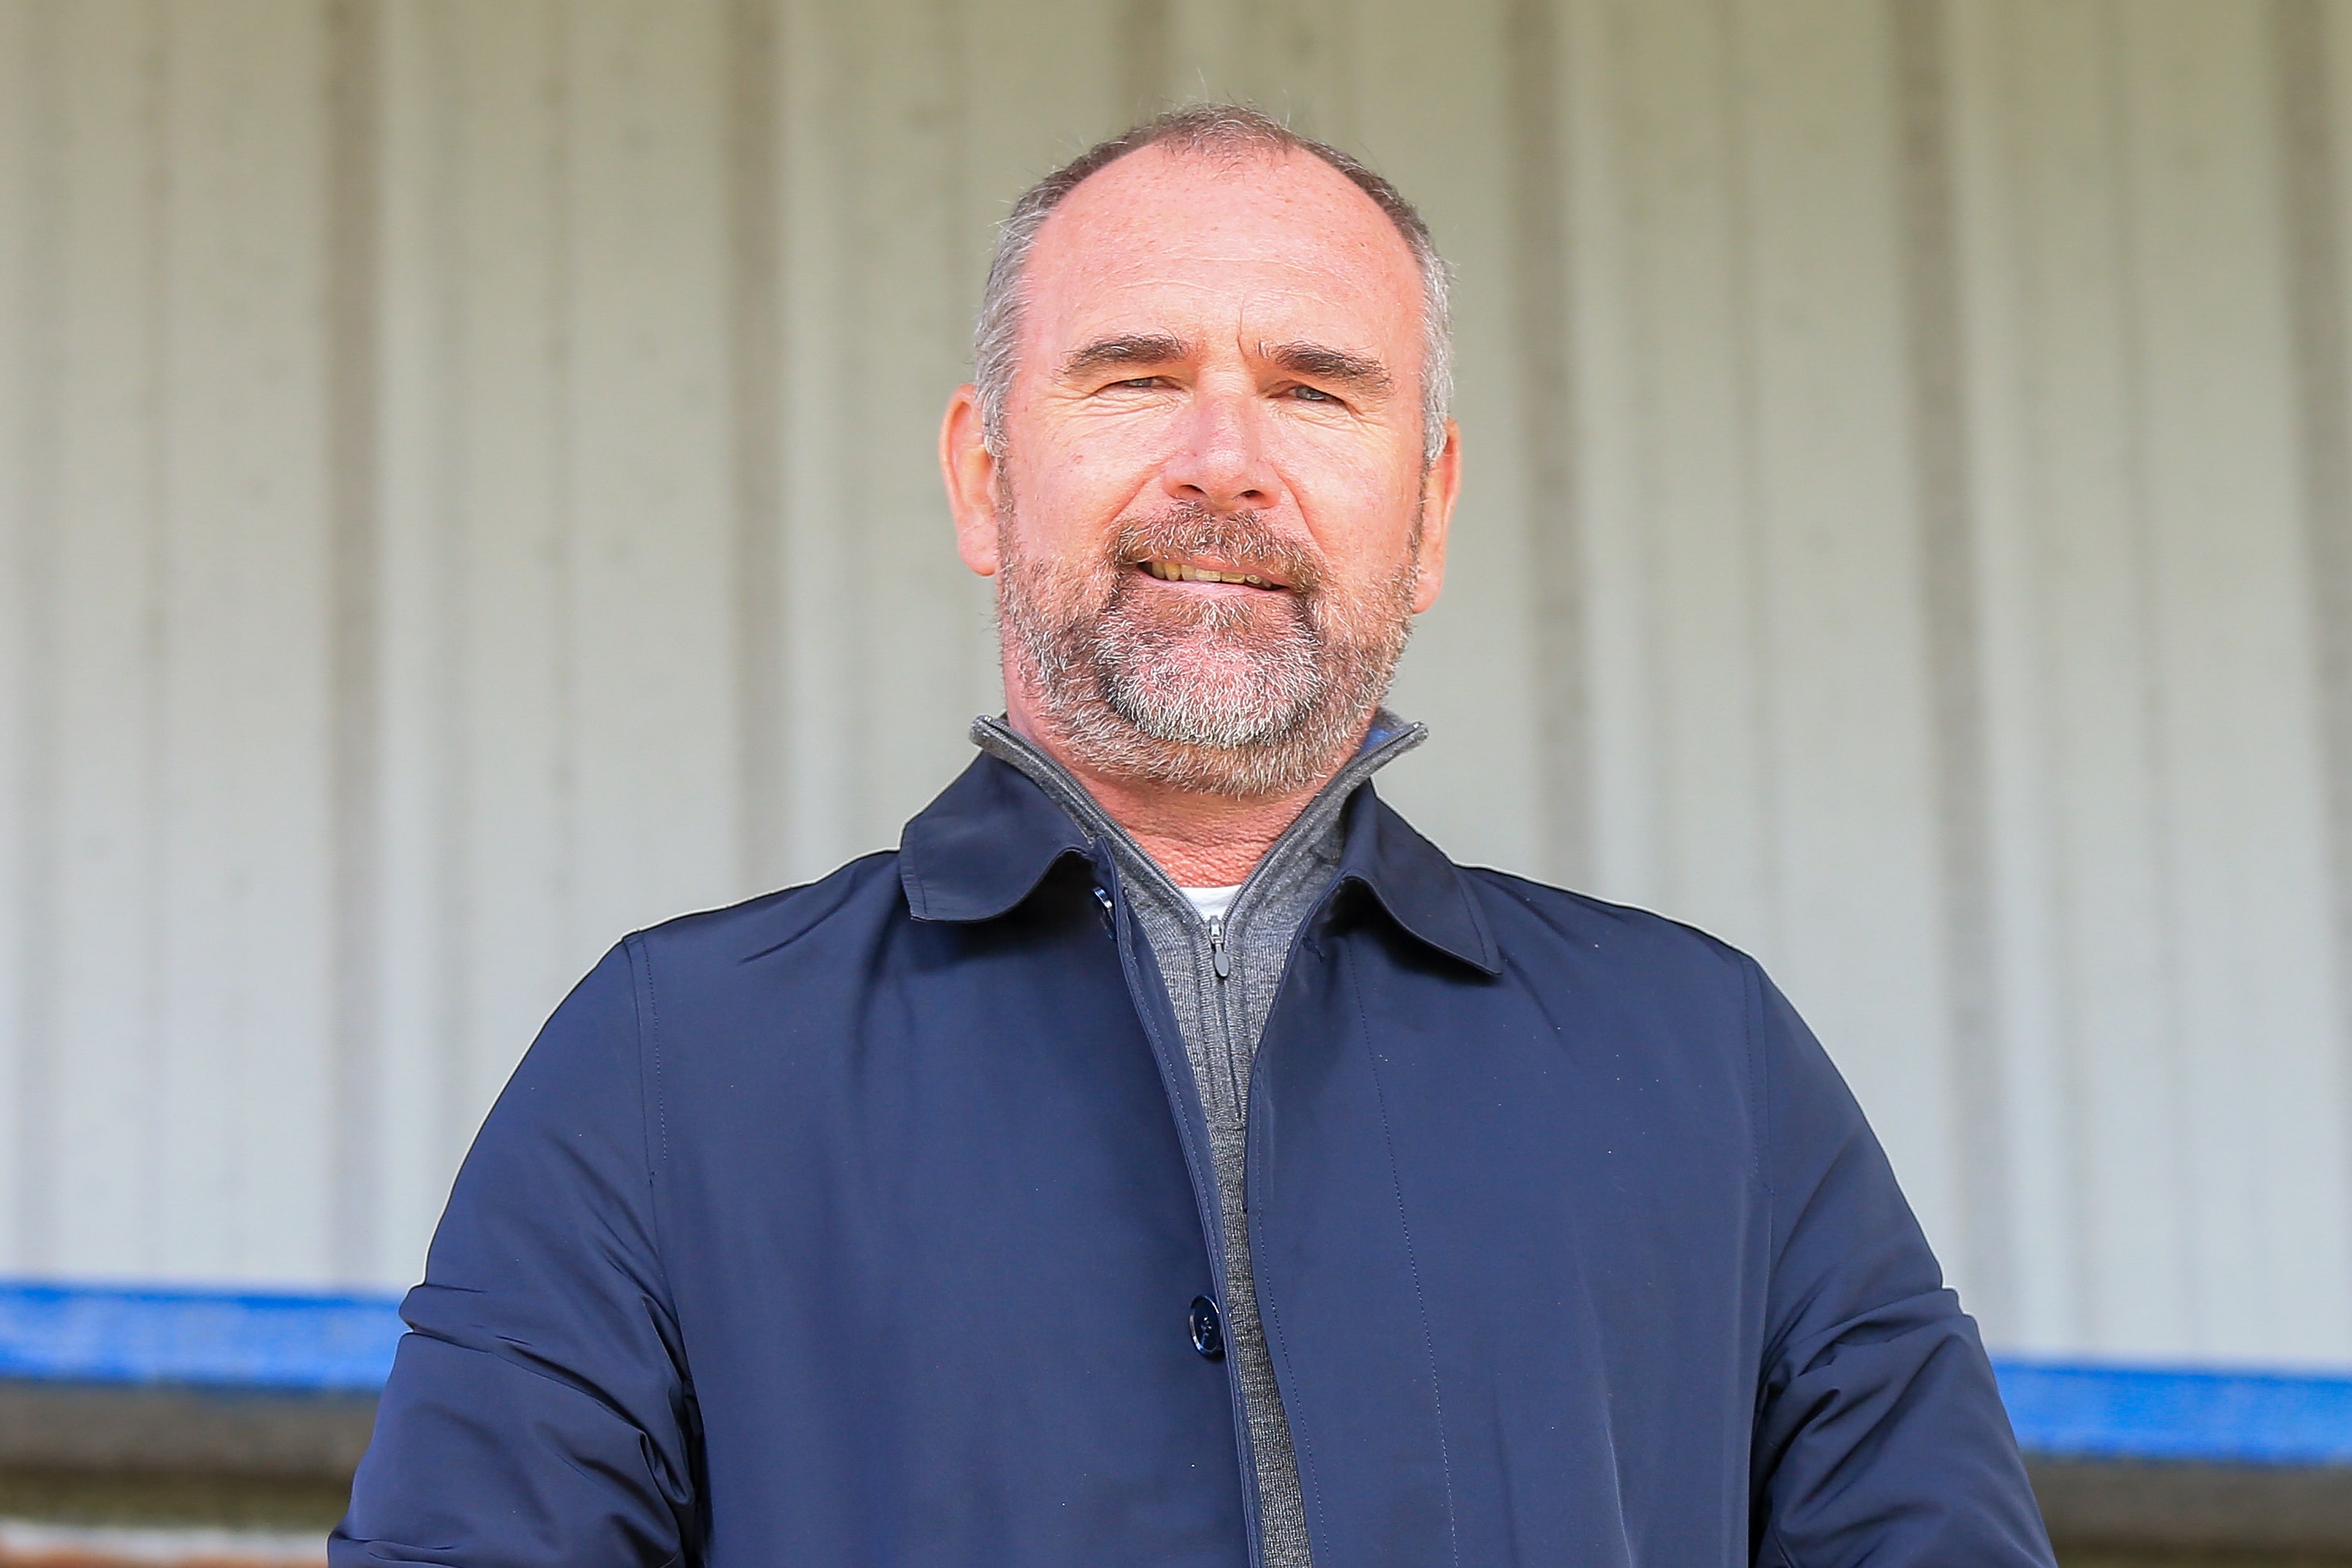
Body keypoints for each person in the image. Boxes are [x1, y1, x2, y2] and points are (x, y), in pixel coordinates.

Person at [334, 104, 2056, 1567]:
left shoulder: (1709, 1063)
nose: (1222, 461)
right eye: (1135, 374)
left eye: (1315, 391)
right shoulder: (664, 1067)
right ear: (980, 474)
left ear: (1431, 509)